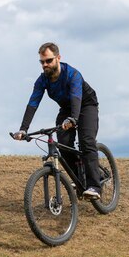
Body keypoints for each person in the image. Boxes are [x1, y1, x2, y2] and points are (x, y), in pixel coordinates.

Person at [12, 42, 101, 199]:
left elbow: (76, 97)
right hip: (66, 110)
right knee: (63, 144)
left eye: (48, 60)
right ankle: (79, 178)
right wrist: (23, 129)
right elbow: (33, 103)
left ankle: (94, 185)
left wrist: (73, 119)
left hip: (86, 105)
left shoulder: (72, 75)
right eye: (42, 62)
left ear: (58, 58)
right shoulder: (42, 81)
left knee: (87, 141)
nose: (45, 65)